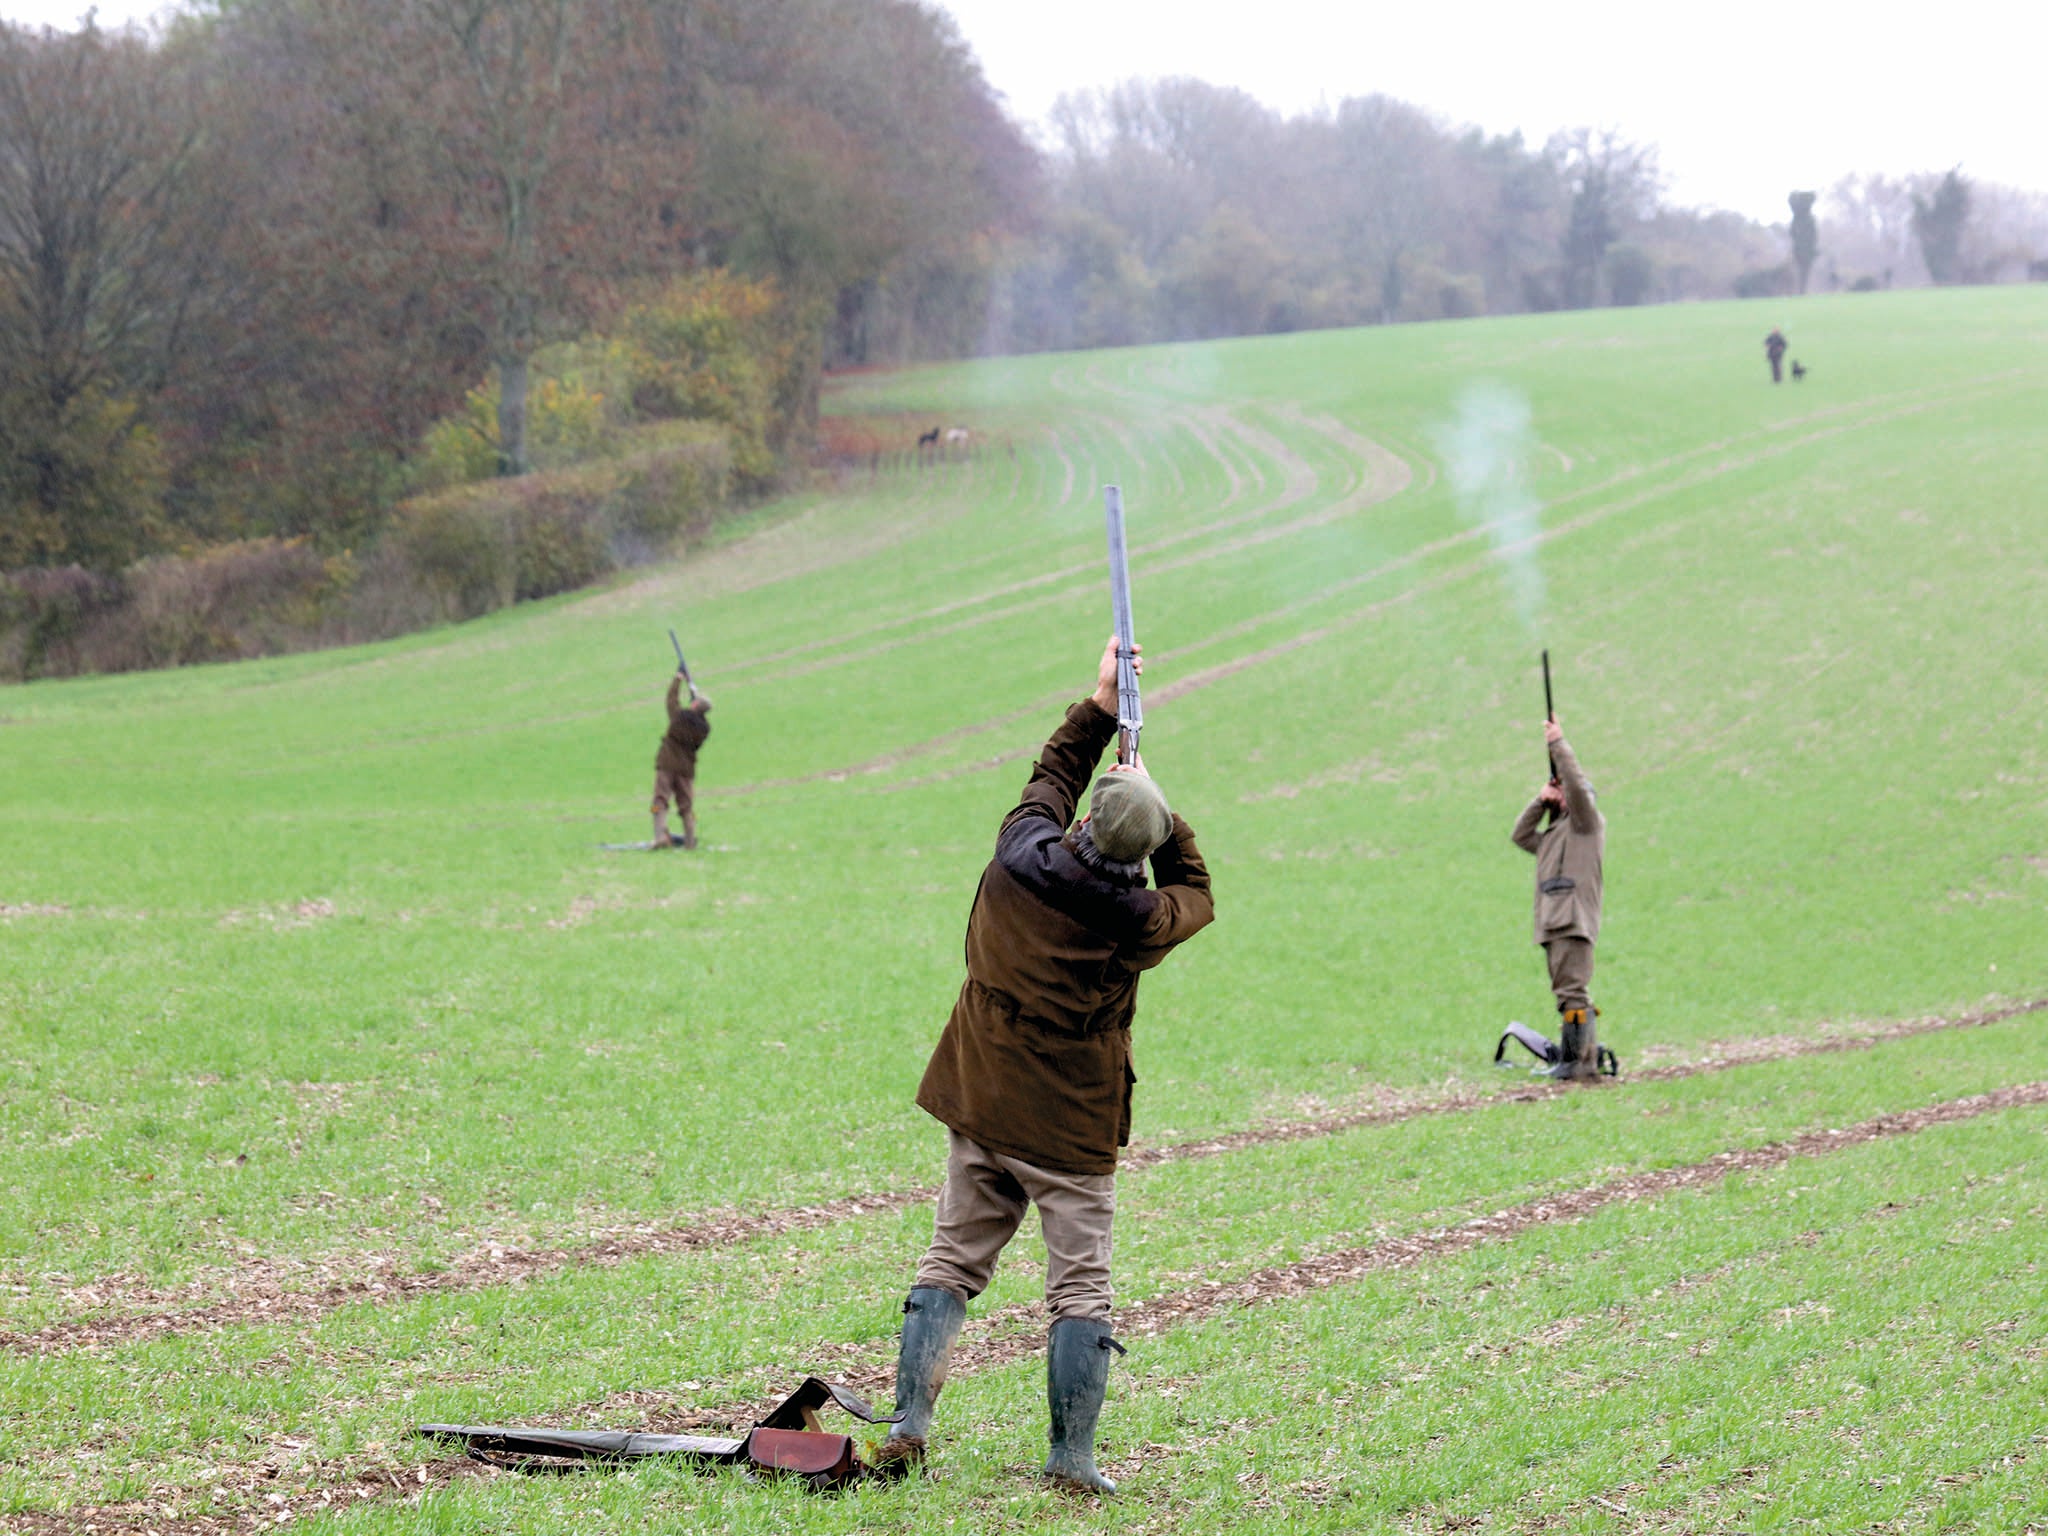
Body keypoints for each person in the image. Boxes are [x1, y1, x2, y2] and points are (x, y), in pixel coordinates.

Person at [875, 636, 1214, 1493]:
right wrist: (1160, 807)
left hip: (981, 1092)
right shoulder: (1134, 921)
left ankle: (911, 1419)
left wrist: (1102, 708)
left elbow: (1051, 776)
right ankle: (1070, 1458)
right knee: (1080, 1290)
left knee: (951, 1258)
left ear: (1085, 820)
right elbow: (1199, 894)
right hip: (1067, 1127)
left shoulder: (1016, 854)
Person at [1510, 718, 1607, 1079]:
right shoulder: (1554, 836)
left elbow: (1578, 788)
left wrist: (1559, 745)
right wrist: (1540, 801)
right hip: (1553, 922)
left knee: (1573, 992)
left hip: (1572, 920)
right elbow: (1520, 836)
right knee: (1567, 993)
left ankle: (1575, 1064)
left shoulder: (1586, 826)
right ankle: (1580, 1061)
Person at [651, 673, 710, 849]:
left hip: (667, 764)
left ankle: (660, 836)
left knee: (659, 802)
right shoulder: (704, 728)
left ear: (694, 704)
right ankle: (690, 842)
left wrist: (677, 680)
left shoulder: (678, 718)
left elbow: (671, 700)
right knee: (686, 807)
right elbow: (694, 718)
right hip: (686, 769)